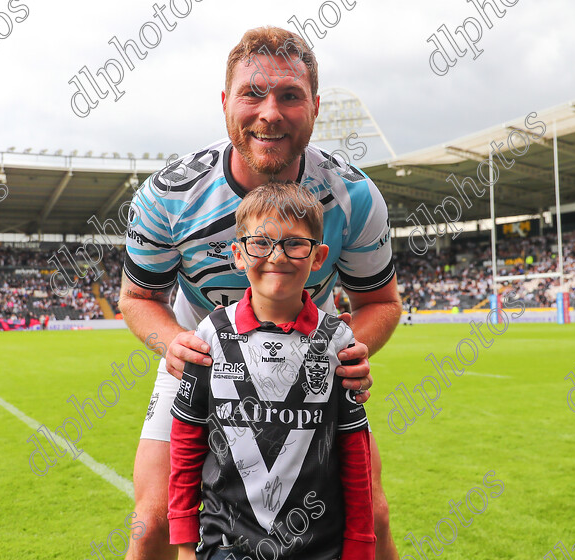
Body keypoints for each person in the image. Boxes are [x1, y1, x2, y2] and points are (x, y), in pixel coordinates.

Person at [119, 26, 401, 560]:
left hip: (311, 357)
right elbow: (137, 298)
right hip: (200, 356)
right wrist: (176, 344)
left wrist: (345, 351)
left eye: (290, 95)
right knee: (152, 521)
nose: (270, 112)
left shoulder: (355, 197)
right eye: (253, 93)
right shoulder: (167, 195)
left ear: (315, 106)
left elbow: (381, 304)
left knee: (375, 516)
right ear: (226, 103)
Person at [168, 182, 374, 560]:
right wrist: (184, 540)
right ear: (238, 254)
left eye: (295, 243)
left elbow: (353, 449)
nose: (277, 256)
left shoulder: (339, 341)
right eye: (261, 243)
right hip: (224, 546)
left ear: (318, 256)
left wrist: (361, 542)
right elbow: (186, 439)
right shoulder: (209, 335)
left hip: (317, 548)